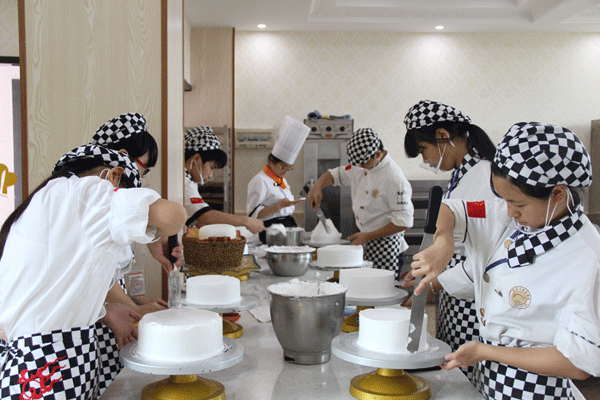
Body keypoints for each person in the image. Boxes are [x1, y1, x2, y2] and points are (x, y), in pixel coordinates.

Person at [409, 122, 600, 400]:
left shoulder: (586, 258)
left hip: (535, 388)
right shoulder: (505, 209)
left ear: (558, 194)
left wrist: (486, 351)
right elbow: (452, 208)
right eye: (504, 199)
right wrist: (444, 242)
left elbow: (576, 362)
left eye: (519, 204)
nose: (509, 211)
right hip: (490, 376)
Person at [0, 144, 187, 399]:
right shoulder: (86, 193)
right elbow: (174, 215)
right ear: (114, 176)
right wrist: (158, 234)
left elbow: (61, 288)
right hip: (47, 370)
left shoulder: (50, 201)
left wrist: (106, 310)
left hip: (46, 360)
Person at [403, 99, 497, 381]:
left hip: (473, 302)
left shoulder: (485, 177)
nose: (426, 161)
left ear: (443, 137)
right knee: (452, 373)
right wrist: (429, 269)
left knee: (466, 379)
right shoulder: (461, 176)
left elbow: (485, 255)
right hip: (454, 299)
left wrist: (436, 281)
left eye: (424, 150)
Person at [306, 128, 414, 279]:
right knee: (363, 288)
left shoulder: (394, 178)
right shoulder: (360, 166)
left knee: (379, 293)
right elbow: (333, 174)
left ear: (377, 154)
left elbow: (404, 222)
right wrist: (317, 186)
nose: (359, 168)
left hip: (387, 246)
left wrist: (368, 236)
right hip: (365, 240)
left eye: (363, 164)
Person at [184, 126, 264, 233]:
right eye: (211, 168)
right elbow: (204, 216)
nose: (210, 175)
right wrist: (246, 221)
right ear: (197, 159)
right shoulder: (184, 183)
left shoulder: (189, 181)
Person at [247, 116, 310, 243]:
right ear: (272, 161)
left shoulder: (282, 181)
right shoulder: (259, 180)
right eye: (284, 167)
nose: (286, 171)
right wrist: (279, 206)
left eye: (289, 168)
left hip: (287, 227)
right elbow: (253, 214)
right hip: (269, 231)